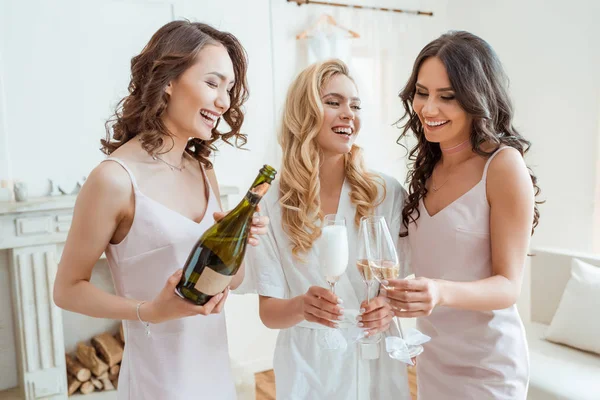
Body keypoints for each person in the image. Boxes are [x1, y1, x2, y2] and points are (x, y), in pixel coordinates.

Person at [53, 20, 268, 399]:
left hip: (214, 371)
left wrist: (243, 242)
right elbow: (67, 290)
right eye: (213, 83)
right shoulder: (114, 180)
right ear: (168, 80)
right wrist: (150, 311)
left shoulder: (204, 171)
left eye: (229, 89)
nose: (224, 101)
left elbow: (231, 282)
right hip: (158, 380)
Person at [242, 59, 411, 399]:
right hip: (310, 365)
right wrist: (301, 307)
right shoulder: (271, 203)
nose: (349, 113)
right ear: (304, 113)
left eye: (355, 105)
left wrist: (390, 307)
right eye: (333, 102)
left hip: (375, 355)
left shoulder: (386, 193)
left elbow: (403, 281)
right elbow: (269, 312)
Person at [384, 31, 541, 399]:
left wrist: (439, 291)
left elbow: (508, 286)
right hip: (432, 358)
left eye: (447, 97)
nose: (428, 108)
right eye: (422, 93)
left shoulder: (502, 166)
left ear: (476, 99)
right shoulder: (429, 167)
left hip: (488, 367)